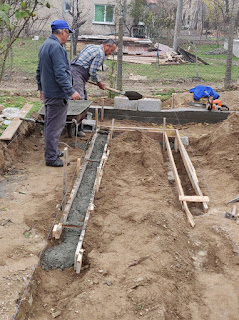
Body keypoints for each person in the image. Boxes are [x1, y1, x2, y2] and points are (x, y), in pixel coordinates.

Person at [36, 20, 81, 167]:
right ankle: (51, 157)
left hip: (49, 92)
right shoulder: (56, 48)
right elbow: (60, 74)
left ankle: (53, 151)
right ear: (63, 31)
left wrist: (40, 88)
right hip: (56, 94)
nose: (67, 36)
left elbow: (39, 70)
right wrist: (71, 91)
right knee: (54, 127)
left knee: (51, 124)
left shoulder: (45, 45)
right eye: (67, 33)